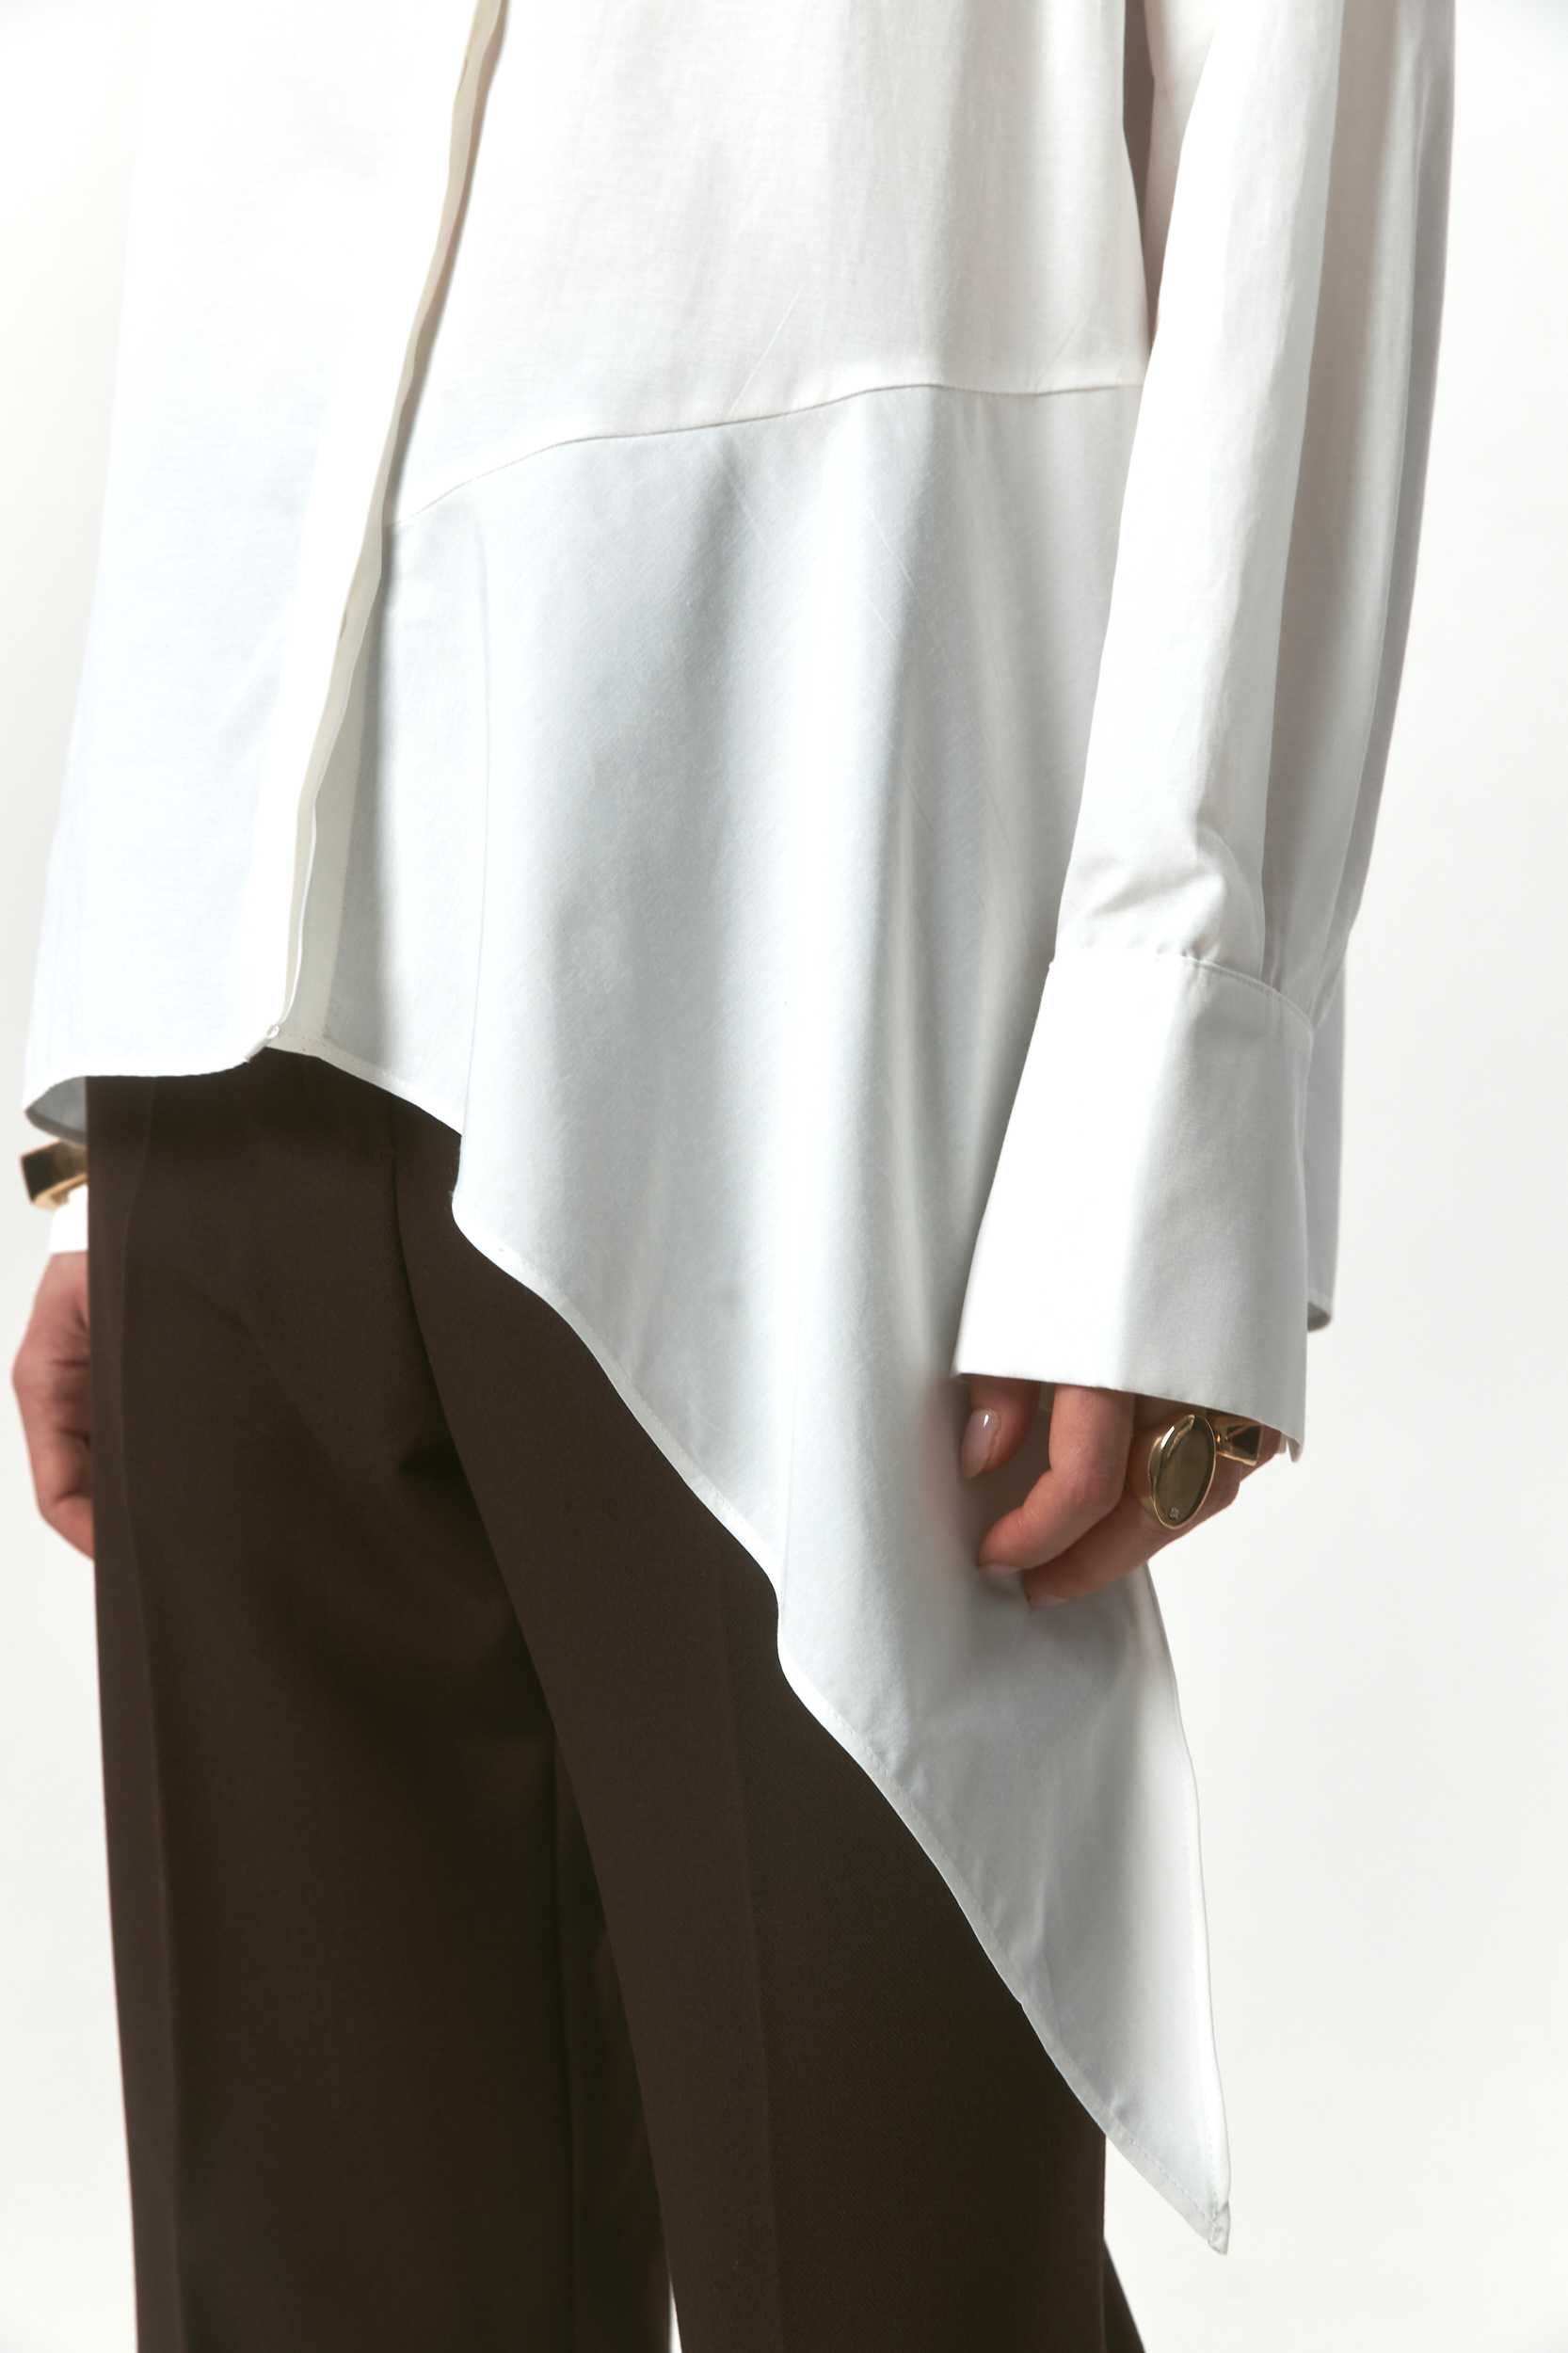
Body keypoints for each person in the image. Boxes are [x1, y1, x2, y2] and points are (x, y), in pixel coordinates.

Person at [11, 1, 1452, 2345]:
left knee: (890, 2268)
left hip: (808, 928)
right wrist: (134, 997)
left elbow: (1299, 108)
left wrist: (1178, 1067)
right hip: (244, 1025)